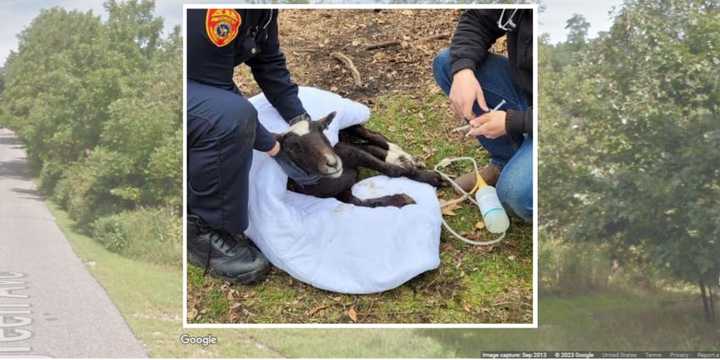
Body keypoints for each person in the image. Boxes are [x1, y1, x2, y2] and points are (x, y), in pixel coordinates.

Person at [187, 9, 311, 284]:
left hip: (200, 84)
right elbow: (215, 87)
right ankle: (199, 229)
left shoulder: (263, 10)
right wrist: (275, 148)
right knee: (230, 116)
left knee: (231, 112)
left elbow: (269, 63)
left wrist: (302, 122)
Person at [432, 8, 533, 222]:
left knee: (515, 196)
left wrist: (513, 122)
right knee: (447, 62)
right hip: (528, 91)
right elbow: (478, 18)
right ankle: (505, 161)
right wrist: (463, 69)